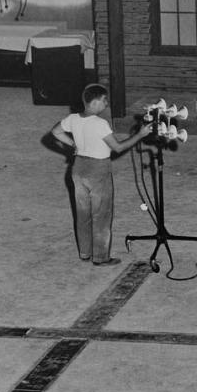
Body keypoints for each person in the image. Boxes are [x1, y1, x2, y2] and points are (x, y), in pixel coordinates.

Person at [51, 84, 152, 266]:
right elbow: (118, 147)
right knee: (102, 214)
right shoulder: (100, 124)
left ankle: (84, 253)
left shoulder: (73, 118)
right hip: (98, 170)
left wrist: (73, 144)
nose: (106, 104)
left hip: (79, 168)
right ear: (96, 102)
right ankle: (101, 257)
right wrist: (140, 135)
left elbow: (56, 131)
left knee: (83, 213)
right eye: (105, 101)